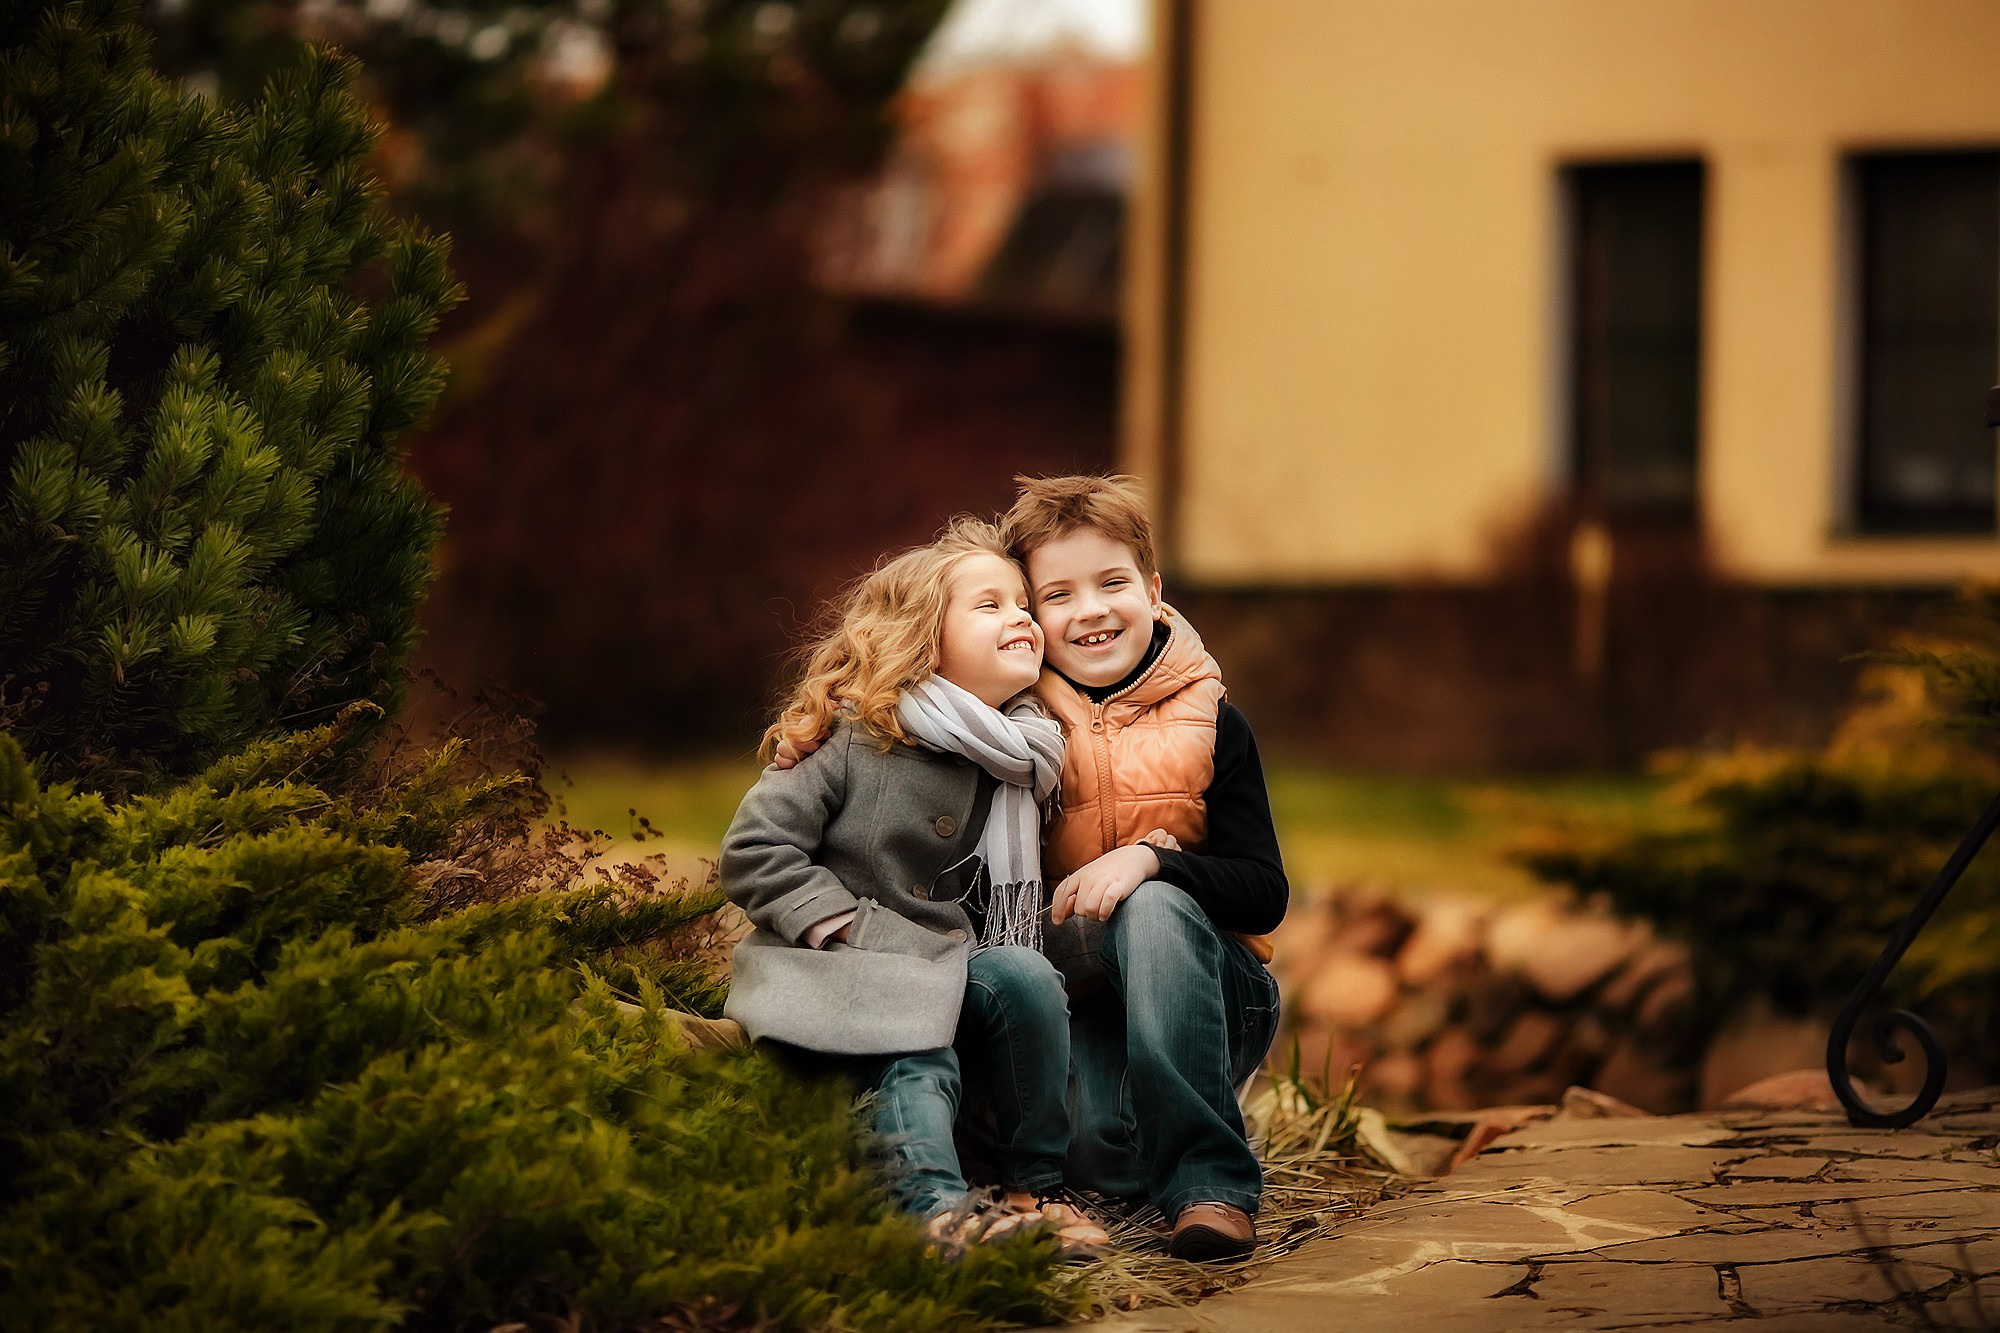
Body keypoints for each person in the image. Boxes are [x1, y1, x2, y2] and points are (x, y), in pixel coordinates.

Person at [719, 518, 1108, 1255]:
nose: (1021, 615)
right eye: (989, 604)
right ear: (923, 634)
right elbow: (754, 850)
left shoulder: (1024, 751)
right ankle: (934, 1210)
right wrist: (841, 926)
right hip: (841, 963)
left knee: (1024, 974)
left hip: (948, 962)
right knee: (914, 1048)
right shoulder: (848, 730)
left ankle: (1036, 1189)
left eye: (1023, 602)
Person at [1002, 473, 1287, 1263]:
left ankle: (1211, 1185)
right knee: (1104, 1153)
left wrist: (1153, 858)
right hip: (1084, 998)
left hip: (1211, 986)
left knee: (1153, 904)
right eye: (1058, 594)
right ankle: (1128, 1142)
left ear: (1154, 590)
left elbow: (1265, 894)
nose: (1090, 609)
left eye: (1112, 582)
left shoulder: (1213, 719)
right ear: (1029, 619)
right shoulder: (1007, 724)